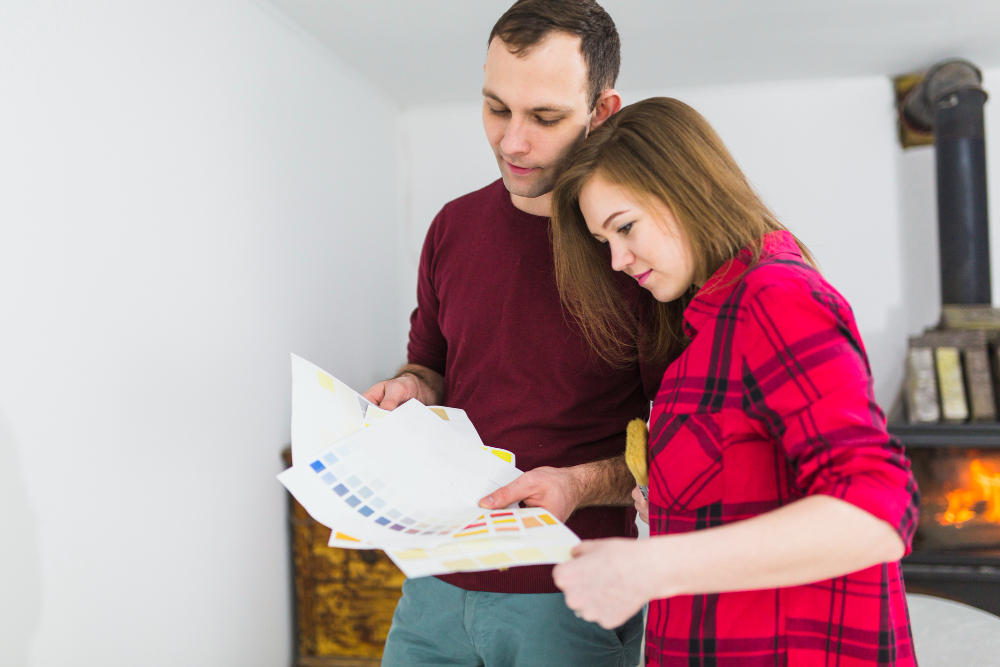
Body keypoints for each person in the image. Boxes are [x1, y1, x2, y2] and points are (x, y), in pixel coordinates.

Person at [549, 97, 920, 666]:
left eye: (625, 228)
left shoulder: (776, 299)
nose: (618, 259)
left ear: (686, 189)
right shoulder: (701, 331)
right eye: (606, 243)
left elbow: (877, 511)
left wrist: (652, 565)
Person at [362, 2, 668, 665]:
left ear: (603, 111)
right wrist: (409, 389)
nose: (512, 141)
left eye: (545, 118)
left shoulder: (637, 252)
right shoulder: (452, 227)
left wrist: (576, 486)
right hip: (433, 580)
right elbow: (431, 366)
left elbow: (671, 447)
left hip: (571, 590)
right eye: (496, 108)